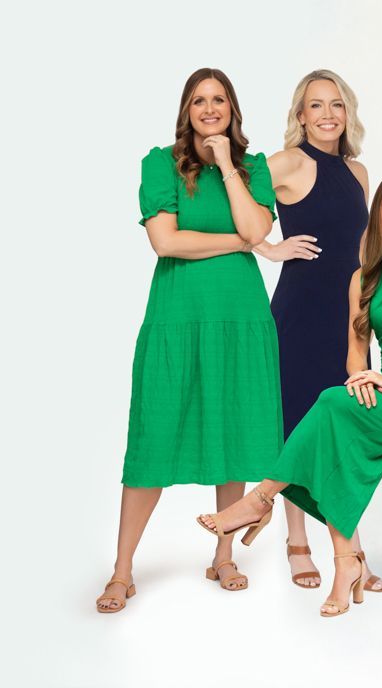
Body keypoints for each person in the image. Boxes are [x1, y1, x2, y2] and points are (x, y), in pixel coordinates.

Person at [197, 170, 382, 617]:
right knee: (336, 431)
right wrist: (362, 380)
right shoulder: (362, 279)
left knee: (328, 402)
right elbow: (355, 354)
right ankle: (347, 564)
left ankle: (261, 499)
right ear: (376, 213)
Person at [96, 68, 279, 613]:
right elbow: (166, 242)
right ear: (186, 110)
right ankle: (122, 570)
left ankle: (224, 555)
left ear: (233, 109)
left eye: (219, 99)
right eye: (199, 100)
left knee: (232, 430)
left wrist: (227, 165)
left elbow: (258, 228)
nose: (209, 108)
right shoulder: (160, 163)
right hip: (177, 315)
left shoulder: (253, 167)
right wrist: (241, 242)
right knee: (153, 437)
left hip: (239, 314)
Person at [253, 69, 382, 592]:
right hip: (300, 312)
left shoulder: (358, 172)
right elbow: (227, 195)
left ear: (347, 113)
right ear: (300, 115)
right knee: (301, 425)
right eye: (316, 105)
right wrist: (268, 247)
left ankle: (348, 548)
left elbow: (365, 247)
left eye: (337, 104)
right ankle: (298, 543)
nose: (328, 114)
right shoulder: (288, 162)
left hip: (348, 316)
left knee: (346, 431)